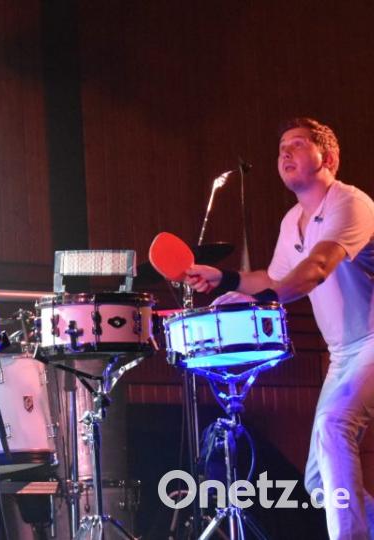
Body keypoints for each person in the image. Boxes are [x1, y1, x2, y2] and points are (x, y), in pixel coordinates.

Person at [185, 117, 374, 538]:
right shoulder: (293, 221)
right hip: (344, 354)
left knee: (333, 426)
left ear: (328, 157)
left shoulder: (350, 203)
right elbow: (273, 278)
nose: (284, 153)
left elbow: (316, 268)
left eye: (298, 144)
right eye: (281, 148)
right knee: (319, 481)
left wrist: (262, 300)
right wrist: (227, 279)